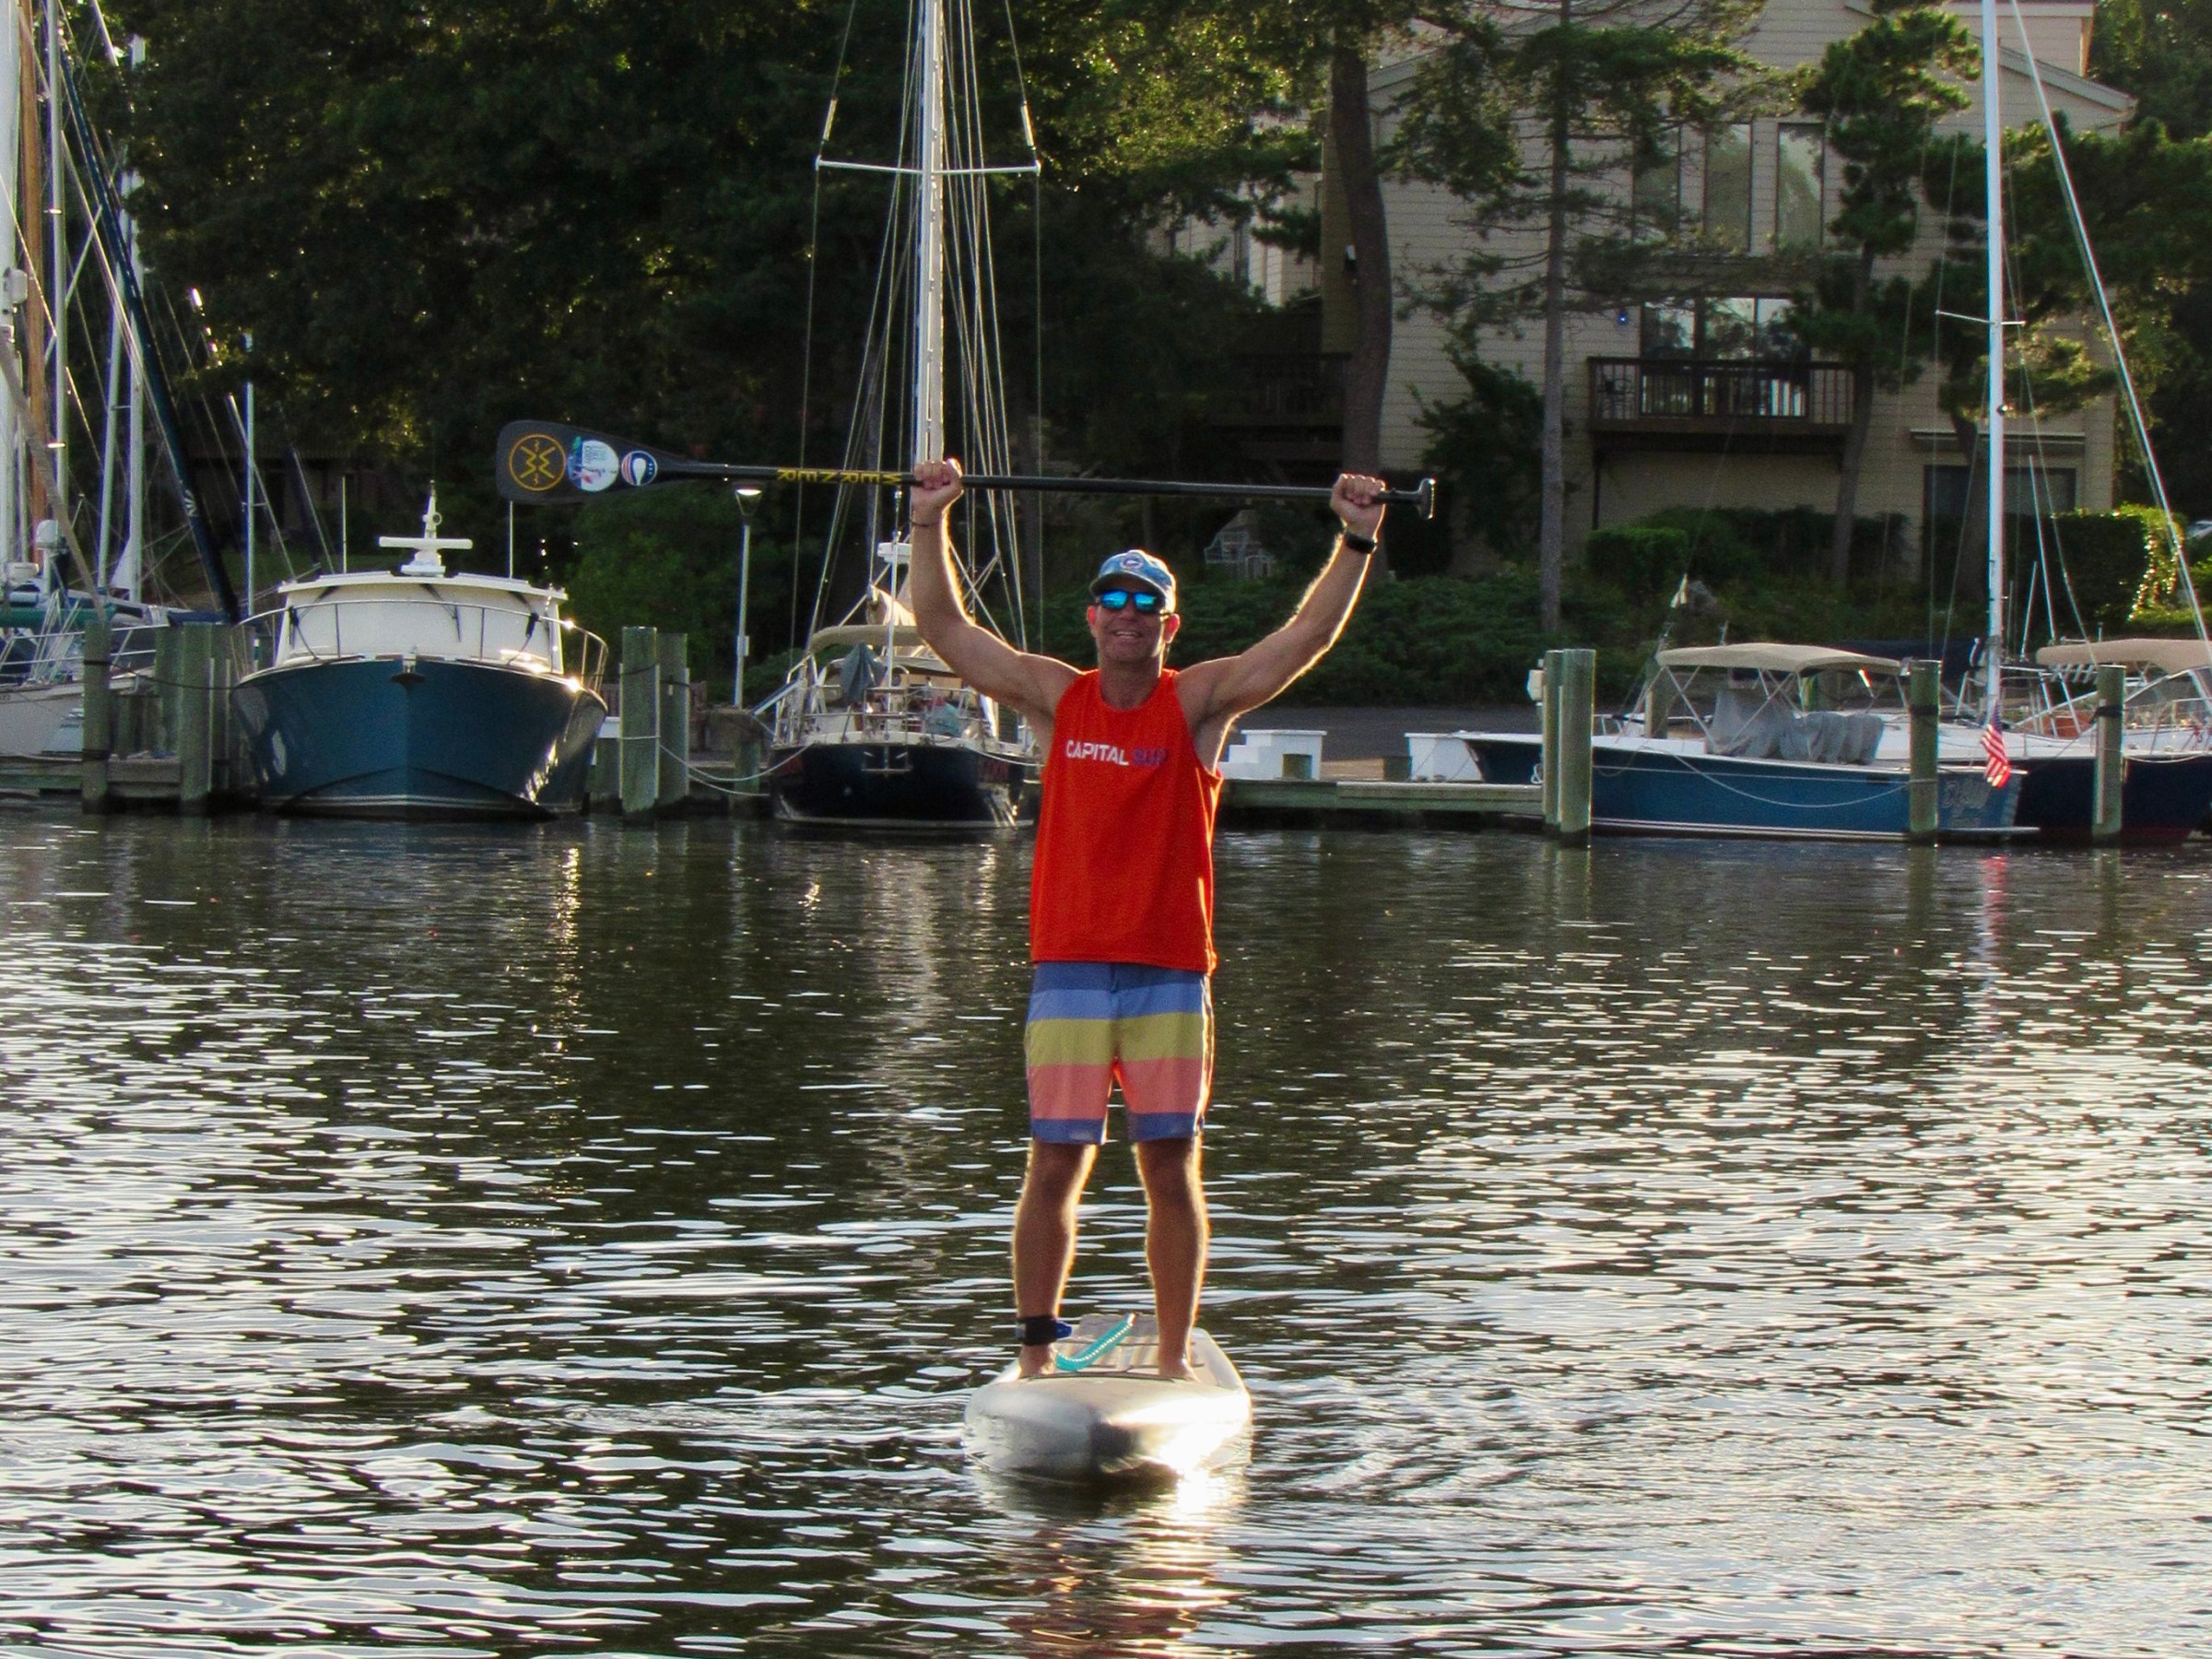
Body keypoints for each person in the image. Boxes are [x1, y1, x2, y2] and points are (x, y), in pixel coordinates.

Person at [906, 460, 1386, 1379]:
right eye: (1111, 601)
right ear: (1093, 618)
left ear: (1168, 625)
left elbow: (1303, 639)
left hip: (1170, 970)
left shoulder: (1197, 702)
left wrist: (1355, 538)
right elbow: (943, 628)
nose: (1127, 615)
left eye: (1146, 604)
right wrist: (930, 523)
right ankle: (1039, 1358)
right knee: (1055, 1165)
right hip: (1071, 970)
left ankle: (1172, 1360)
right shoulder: (1057, 696)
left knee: (1169, 1163)